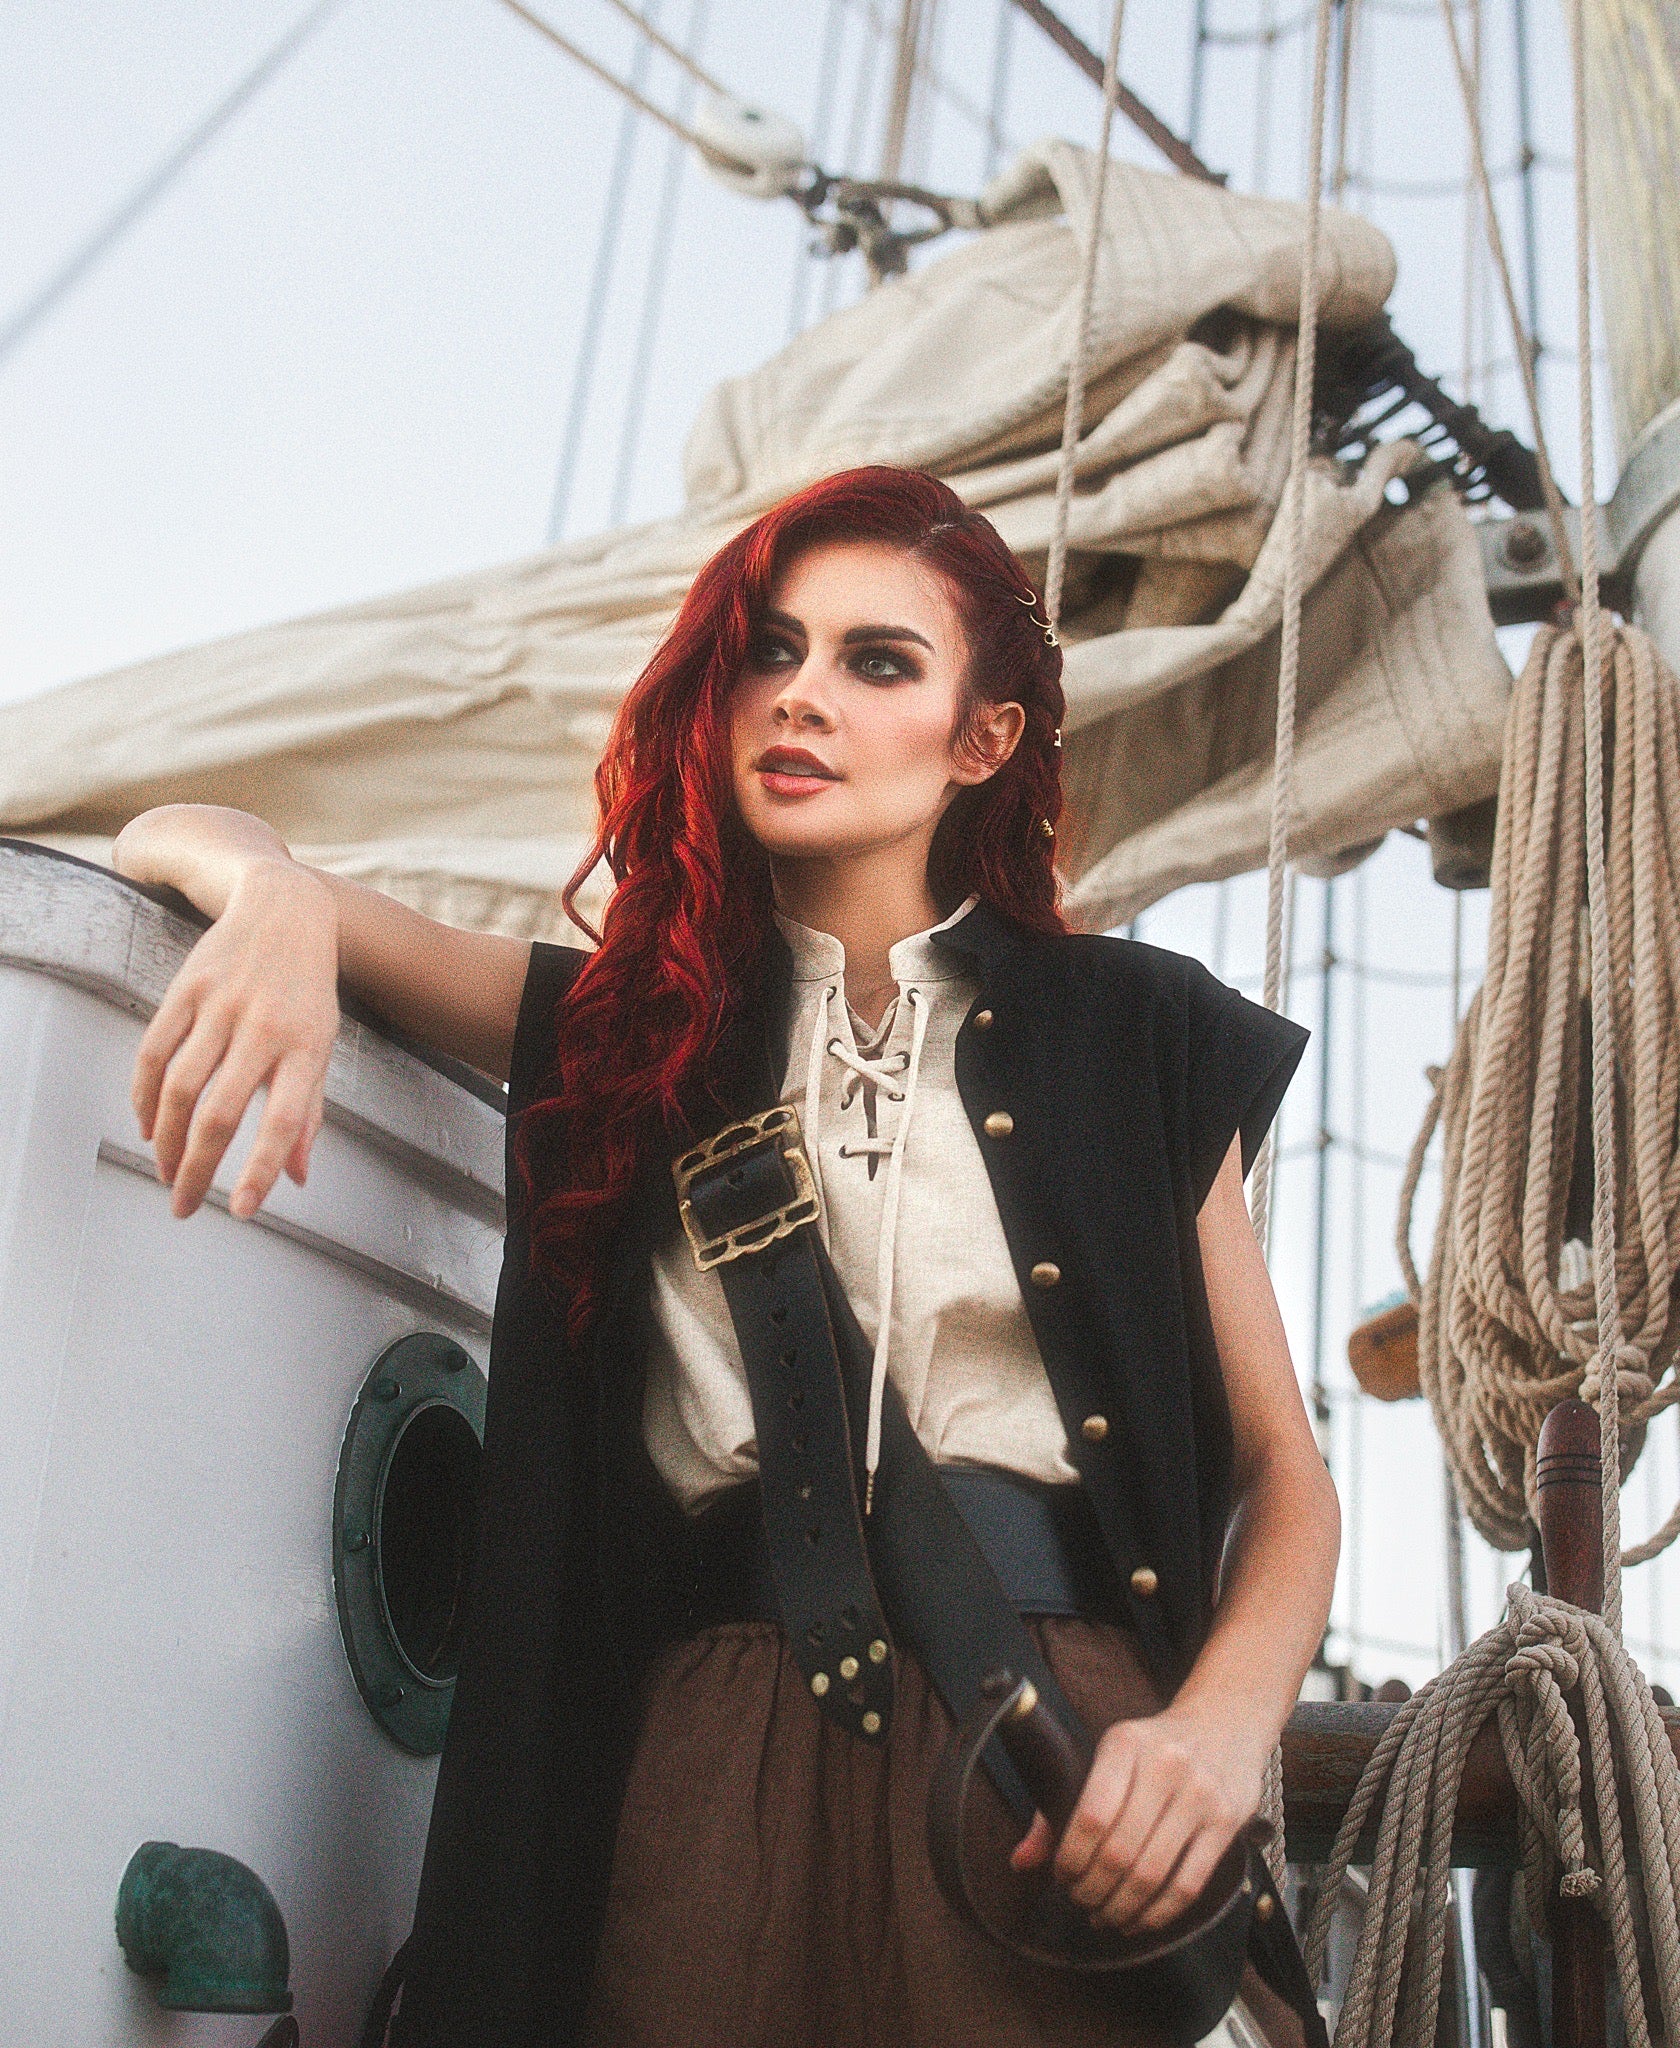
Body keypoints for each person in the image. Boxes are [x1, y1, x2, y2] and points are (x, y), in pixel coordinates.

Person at [113, 465, 1339, 2048]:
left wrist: (1223, 1734)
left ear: (982, 740)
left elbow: (1283, 1473)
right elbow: (166, 829)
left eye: (876, 662)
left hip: (1061, 1754)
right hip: (714, 1765)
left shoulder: (1140, 1031)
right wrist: (279, 902)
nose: (800, 696)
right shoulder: (616, 1033)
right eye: (771, 649)